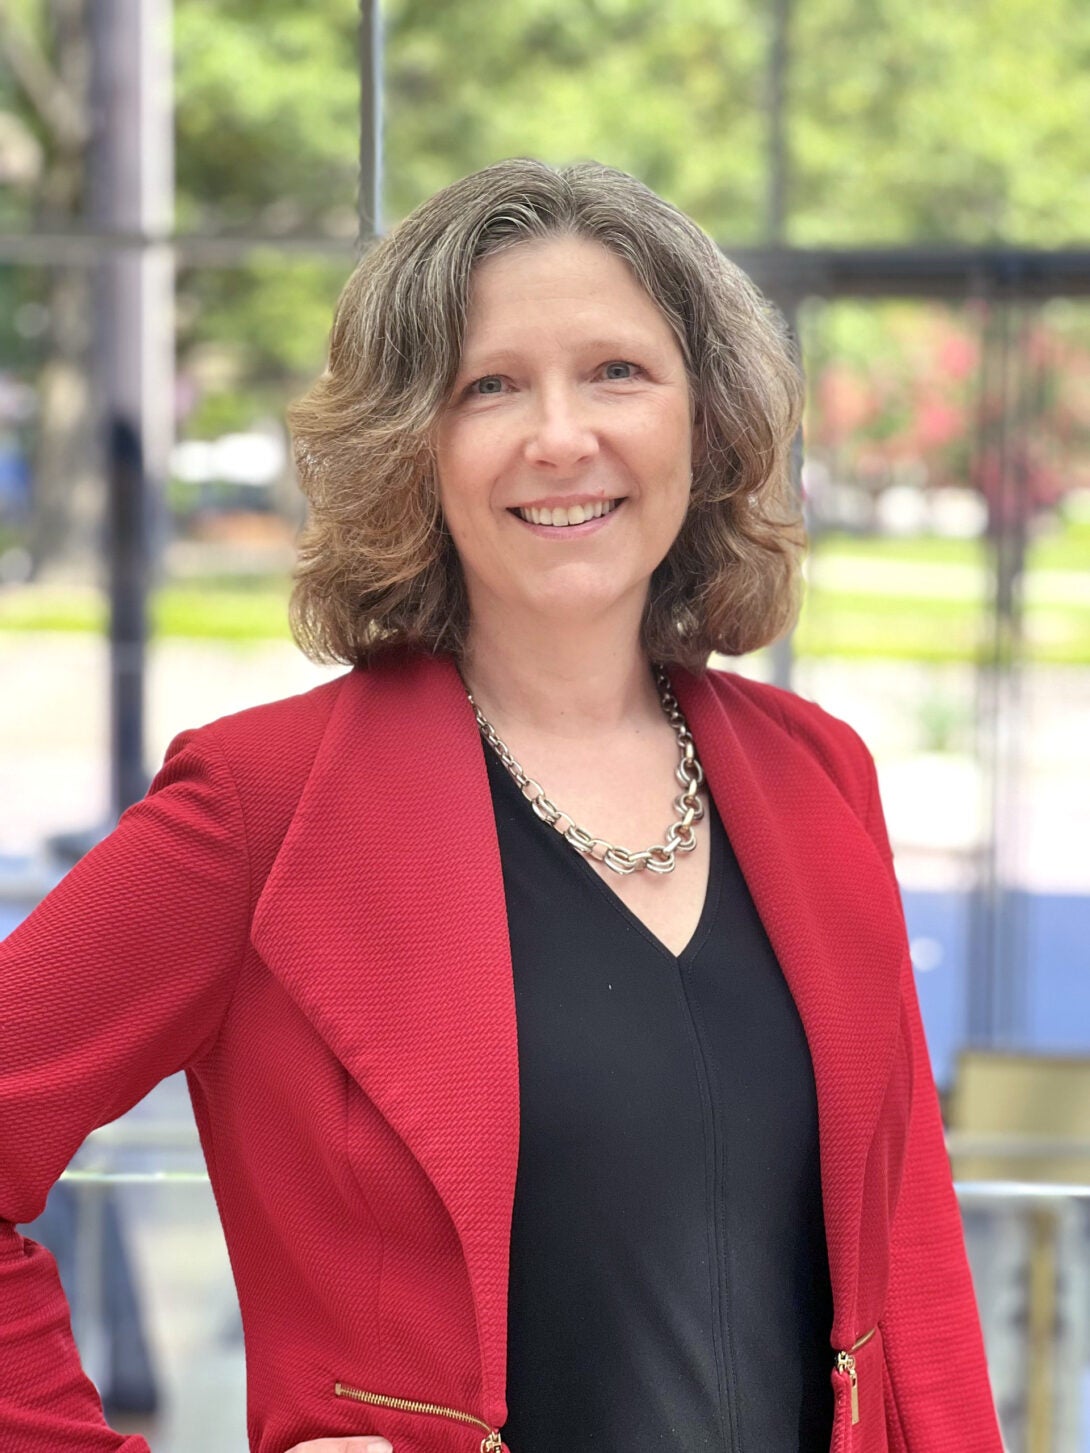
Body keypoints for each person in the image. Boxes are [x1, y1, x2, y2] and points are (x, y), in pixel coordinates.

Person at [0, 158, 1003, 1453]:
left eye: (616, 372)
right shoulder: (264, 804)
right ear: (411, 446)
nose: (560, 435)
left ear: (708, 421)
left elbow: (910, 1267)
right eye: (489, 386)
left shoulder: (817, 774)